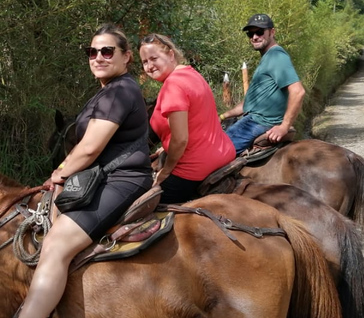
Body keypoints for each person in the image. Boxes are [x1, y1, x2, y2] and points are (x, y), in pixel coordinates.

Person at [19, 24, 152, 318]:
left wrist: (59, 173)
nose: (98, 57)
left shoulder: (119, 92)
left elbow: (90, 147)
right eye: (92, 52)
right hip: (100, 178)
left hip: (121, 179)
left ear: (126, 56)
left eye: (107, 51)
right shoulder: (109, 92)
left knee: (56, 243)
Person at [139, 33, 235, 204]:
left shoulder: (172, 85)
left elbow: (181, 139)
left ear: (170, 54)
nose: (149, 66)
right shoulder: (190, 73)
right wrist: (166, 147)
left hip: (193, 168)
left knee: (140, 205)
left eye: (154, 58)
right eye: (145, 62)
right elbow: (197, 121)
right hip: (223, 153)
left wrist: (166, 170)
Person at [221, 13, 306, 156]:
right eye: (250, 34)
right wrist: (222, 116)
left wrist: (284, 126)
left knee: (217, 152)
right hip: (253, 118)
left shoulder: (276, 56)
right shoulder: (267, 58)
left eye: (260, 32)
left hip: (258, 123)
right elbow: (247, 105)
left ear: (272, 32)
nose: (254, 37)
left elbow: (298, 92)